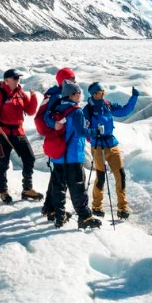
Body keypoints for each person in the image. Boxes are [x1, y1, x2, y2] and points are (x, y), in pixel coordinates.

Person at [43, 80, 102, 229]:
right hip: (73, 155)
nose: (80, 95)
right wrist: (96, 131)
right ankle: (85, 217)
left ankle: (59, 214)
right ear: (72, 94)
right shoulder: (76, 111)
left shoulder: (57, 108)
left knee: (58, 186)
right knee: (78, 188)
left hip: (58, 156)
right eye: (78, 92)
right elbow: (82, 132)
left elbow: (47, 119)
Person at [0, 68, 42, 203]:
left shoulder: (20, 93)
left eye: (18, 78)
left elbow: (30, 111)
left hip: (18, 132)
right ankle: (3, 190)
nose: (18, 80)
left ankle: (27, 189)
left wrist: (33, 97)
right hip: (2, 133)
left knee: (29, 158)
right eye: (15, 78)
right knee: (3, 162)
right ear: (7, 80)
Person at [85, 82, 139, 219]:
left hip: (111, 143)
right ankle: (96, 206)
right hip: (97, 146)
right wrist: (93, 134)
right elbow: (83, 129)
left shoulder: (107, 104)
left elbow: (124, 111)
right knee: (101, 177)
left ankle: (123, 207)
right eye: (100, 92)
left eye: (103, 92)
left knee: (120, 174)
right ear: (94, 94)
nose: (103, 94)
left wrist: (134, 97)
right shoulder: (88, 110)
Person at [37, 67, 77, 222]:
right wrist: (55, 125)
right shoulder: (58, 95)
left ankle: (49, 207)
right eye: (73, 79)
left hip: (59, 137)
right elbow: (48, 116)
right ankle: (54, 211)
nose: (75, 81)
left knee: (57, 175)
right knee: (60, 176)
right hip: (58, 138)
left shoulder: (57, 93)